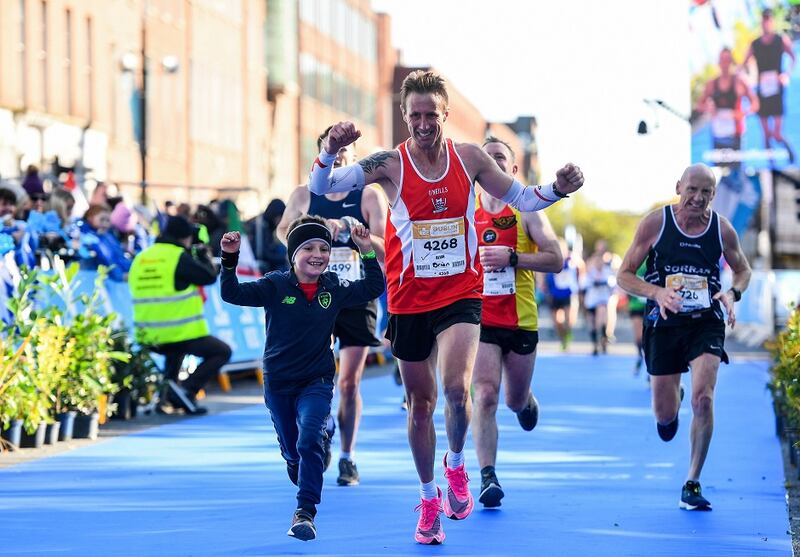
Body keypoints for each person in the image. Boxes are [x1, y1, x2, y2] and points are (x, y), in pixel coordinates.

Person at [308, 69, 584, 544]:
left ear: (444, 115)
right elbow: (321, 186)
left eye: (430, 114)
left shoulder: (471, 158)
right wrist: (330, 149)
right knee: (421, 405)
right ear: (404, 116)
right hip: (409, 298)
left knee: (457, 391)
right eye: (414, 115)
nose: (422, 123)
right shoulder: (389, 165)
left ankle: (457, 464)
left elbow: (521, 196)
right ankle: (429, 497)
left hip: (461, 294)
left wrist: (557, 188)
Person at [219, 216, 385, 541]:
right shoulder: (274, 285)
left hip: (317, 380)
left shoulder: (333, 286)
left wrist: (366, 251)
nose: (318, 254)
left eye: (324, 248)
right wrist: (229, 259)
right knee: (295, 453)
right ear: (294, 254)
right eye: (309, 247)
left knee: (309, 439)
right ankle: (299, 459)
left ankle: (305, 512)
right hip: (279, 382)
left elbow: (372, 288)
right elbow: (232, 293)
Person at [617, 163, 751, 511]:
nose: (698, 197)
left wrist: (732, 294)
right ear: (679, 187)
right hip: (664, 322)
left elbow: (742, 269)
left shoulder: (722, 229)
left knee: (704, 398)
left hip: (705, 321)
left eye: (706, 192)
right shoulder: (656, 223)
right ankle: (670, 402)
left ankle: (692, 482)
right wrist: (657, 293)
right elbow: (624, 275)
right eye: (692, 189)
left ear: (714, 195)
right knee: (664, 417)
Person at [278, 127, 388, 486]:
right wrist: (310, 230)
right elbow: (283, 232)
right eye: (334, 150)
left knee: (349, 381)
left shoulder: (369, 195)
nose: (340, 156)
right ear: (322, 154)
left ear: (356, 157)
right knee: (313, 375)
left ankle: (347, 455)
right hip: (316, 294)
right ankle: (321, 426)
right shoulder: (304, 194)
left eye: (347, 151)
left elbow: (389, 249)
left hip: (355, 295)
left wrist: (355, 233)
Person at [470, 137, 563, 508]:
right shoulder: (465, 212)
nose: (491, 164)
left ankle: (525, 402)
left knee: (512, 399)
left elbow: (556, 258)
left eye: (499, 159)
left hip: (521, 319)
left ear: (512, 170)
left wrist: (514, 258)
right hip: (478, 319)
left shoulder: (526, 210)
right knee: (486, 395)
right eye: (485, 158)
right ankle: (488, 475)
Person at [128, 215, 232, 415]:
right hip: (177, 331)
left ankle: (167, 396)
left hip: (147, 334)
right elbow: (209, 276)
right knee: (222, 352)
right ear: (185, 238)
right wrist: (201, 254)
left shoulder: (141, 257)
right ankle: (186, 390)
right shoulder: (177, 257)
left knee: (174, 352)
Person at [743, 8, 797, 164]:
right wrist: (750, 78)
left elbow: (793, 57)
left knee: (776, 133)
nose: (766, 23)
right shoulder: (755, 44)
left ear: (772, 22)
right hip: (762, 91)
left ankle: (788, 150)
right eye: (764, 19)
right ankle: (770, 165)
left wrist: (786, 74)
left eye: (768, 19)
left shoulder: (781, 40)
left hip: (777, 90)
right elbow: (744, 64)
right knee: (766, 135)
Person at [696, 47, 759, 163]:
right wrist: (708, 108)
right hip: (718, 134)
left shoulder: (739, 82)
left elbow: (755, 104)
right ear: (718, 62)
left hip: (736, 135)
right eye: (722, 60)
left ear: (731, 62)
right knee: (719, 171)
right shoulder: (712, 84)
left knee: (736, 171)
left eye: (727, 60)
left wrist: (742, 114)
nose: (725, 64)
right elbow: (699, 105)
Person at [544, 239, 583, 350]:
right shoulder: (551, 259)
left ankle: (567, 335)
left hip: (569, 292)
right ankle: (562, 338)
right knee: (556, 322)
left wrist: (579, 283)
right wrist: (543, 283)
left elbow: (581, 268)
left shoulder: (572, 259)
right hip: (554, 293)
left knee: (568, 319)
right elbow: (543, 271)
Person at [583, 240, 618, 355]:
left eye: (600, 262)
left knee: (602, 316)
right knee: (592, 323)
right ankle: (594, 345)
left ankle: (603, 339)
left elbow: (613, 283)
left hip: (602, 299)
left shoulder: (608, 271)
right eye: (596, 262)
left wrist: (604, 283)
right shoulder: (589, 272)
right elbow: (583, 284)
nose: (598, 264)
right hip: (590, 300)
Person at [246, 199, 289, 274]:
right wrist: (284, 258)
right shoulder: (260, 226)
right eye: (280, 217)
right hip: (261, 264)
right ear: (274, 215)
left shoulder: (268, 226)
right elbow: (262, 253)